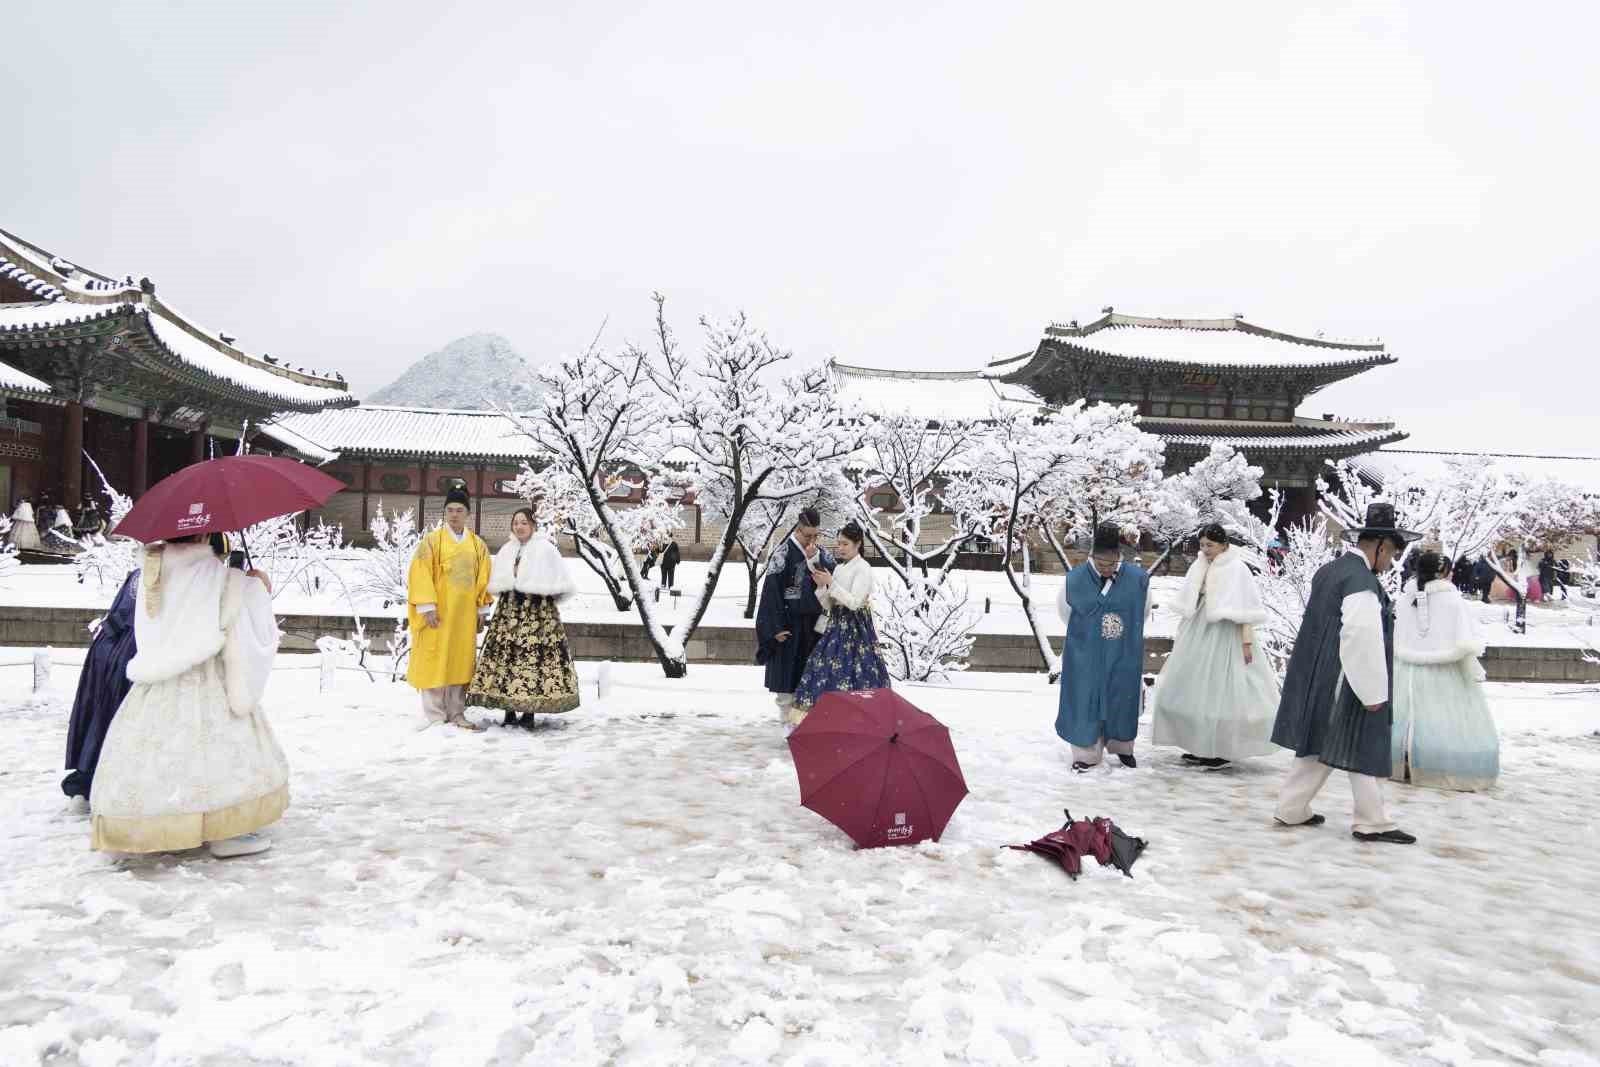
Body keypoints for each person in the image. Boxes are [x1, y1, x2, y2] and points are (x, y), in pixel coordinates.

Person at [90, 534, 286, 857]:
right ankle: (227, 833)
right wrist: (255, 584)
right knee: (216, 750)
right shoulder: (208, 572)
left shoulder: (150, 572)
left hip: (156, 683)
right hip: (204, 676)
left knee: (157, 753)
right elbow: (231, 615)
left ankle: (152, 825)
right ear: (203, 534)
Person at [1271, 502, 1419, 845]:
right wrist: (1372, 693)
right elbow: (1359, 636)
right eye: (1391, 554)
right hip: (1346, 677)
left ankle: (1291, 808)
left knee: (1317, 742)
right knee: (1364, 743)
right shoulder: (1361, 581)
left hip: (1320, 673)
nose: (1390, 562)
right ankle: (1372, 822)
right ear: (1381, 546)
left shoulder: (1330, 570)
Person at [1151, 523, 1278, 768]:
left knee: (1222, 690)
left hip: (1226, 633)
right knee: (1195, 687)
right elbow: (1190, 598)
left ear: (1223, 544)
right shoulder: (1200, 565)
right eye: (1202, 545)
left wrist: (1247, 642)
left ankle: (1221, 747)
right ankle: (1199, 744)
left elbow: (1246, 608)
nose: (1206, 549)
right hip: (1200, 629)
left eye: (1210, 545)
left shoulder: (1237, 568)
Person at [1391, 552, 1499, 792]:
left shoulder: (1405, 599)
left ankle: (1400, 762)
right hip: (1445, 669)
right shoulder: (1453, 601)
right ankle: (1439, 767)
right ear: (1442, 572)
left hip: (1405, 668)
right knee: (1443, 720)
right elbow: (1464, 638)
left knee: (1404, 720)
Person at [467, 507, 580, 727]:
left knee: (535, 660)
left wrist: (545, 597)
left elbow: (561, 581)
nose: (519, 526)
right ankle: (509, 710)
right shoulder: (507, 549)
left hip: (538, 613)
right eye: (516, 522)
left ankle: (530, 712)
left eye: (524, 522)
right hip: (509, 611)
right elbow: (497, 579)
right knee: (508, 658)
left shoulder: (546, 549)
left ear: (533, 525)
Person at [1056, 523, 1151, 772]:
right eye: (1101, 563)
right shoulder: (1073, 580)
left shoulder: (1138, 580)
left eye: (1112, 563)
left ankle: (1123, 747)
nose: (1106, 568)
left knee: (1122, 695)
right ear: (1092, 555)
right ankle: (1086, 754)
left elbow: (1144, 611)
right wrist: (1090, 632)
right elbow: (1065, 613)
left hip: (1123, 649)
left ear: (1119, 555)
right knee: (1084, 697)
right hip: (1085, 650)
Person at [406, 486, 492, 731]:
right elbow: (420, 573)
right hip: (438, 614)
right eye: (450, 510)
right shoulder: (431, 542)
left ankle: (456, 712)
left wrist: (481, 612)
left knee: (460, 661)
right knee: (434, 658)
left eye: (459, 510)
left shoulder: (477, 545)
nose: (454, 514)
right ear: (445, 513)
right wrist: (427, 606)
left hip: (464, 617)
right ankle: (434, 715)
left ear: (467, 514)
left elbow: (484, 579)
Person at [792, 522, 891, 719]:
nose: (841, 548)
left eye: (845, 544)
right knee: (822, 670)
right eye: (839, 544)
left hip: (856, 631)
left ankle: (857, 720)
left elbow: (854, 602)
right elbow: (829, 604)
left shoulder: (863, 568)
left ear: (857, 544)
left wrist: (831, 583)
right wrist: (822, 586)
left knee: (856, 673)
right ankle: (823, 719)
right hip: (835, 628)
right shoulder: (838, 569)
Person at [62, 567, 141, 804]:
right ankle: (99, 780)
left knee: (101, 714)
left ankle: (86, 778)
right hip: (128, 653)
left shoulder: (139, 572)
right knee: (115, 716)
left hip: (108, 648)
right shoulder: (158, 574)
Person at [755, 507, 834, 730]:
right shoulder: (782, 553)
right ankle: (787, 726)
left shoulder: (819, 553)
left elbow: (832, 578)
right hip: (788, 625)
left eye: (815, 535)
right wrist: (774, 628)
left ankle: (806, 726)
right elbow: (771, 592)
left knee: (809, 679)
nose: (812, 540)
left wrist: (814, 559)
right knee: (787, 680)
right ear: (798, 530)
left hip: (813, 626)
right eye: (808, 535)